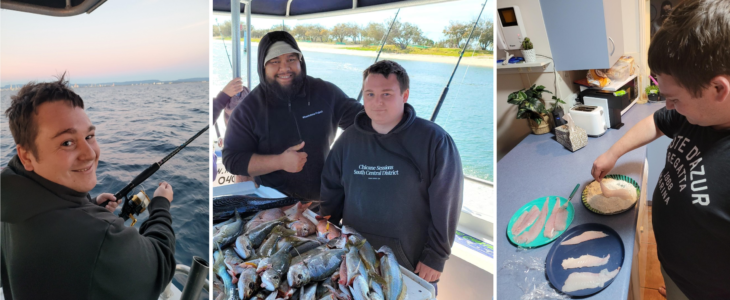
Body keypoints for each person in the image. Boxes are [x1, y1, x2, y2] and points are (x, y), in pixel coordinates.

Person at [592, 1, 730, 298]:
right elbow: (656, 121)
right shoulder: (698, 114)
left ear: (718, 89)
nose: (669, 106)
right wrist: (613, 153)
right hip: (679, 271)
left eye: (675, 98)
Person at [0, 76, 177, 299]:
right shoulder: (99, 236)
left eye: (89, 136)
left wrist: (90, 207)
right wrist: (161, 204)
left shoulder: (11, 200)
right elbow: (161, 265)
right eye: (67, 142)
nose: (90, 153)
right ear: (26, 156)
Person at [319, 60, 464, 292]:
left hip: (410, 263)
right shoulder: (347, 140)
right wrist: (326, 231)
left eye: (387, 94)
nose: (377, 102)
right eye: (370, 94)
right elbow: (331, 192)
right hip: (353, 258)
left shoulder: (434, 141)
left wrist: (436, 256)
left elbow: (447, 204)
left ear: (404, 95)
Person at [222, 31, 363, 204]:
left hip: (324, 201)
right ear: (263, 66)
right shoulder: (248, 110)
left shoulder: (325, 92)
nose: (285, 68)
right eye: (275, 61)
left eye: (291, 59)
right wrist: (279, 162)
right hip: (272, 203)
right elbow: (232, 160)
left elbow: (363, 121)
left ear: (300, 61)